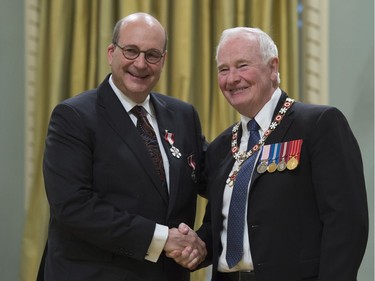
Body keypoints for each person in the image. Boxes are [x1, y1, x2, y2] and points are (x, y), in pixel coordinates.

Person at [178, 27, 368, 281]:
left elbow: (346, 223)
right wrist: (197, 245)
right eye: (224, 69)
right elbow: (222, 226)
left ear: (273, 67)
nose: (232, 78)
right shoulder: (220, 147)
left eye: (242, 65)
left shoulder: (318, 125)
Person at [37, 12, 207, 281]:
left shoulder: (183, 116)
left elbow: (214, 179)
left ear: (163, 60)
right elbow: (74, 206)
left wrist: (200, 241)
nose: (140, 64)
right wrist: (162, 239)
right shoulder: (74, 116)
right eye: (131, 51)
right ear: (111, 52)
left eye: (152, 54)